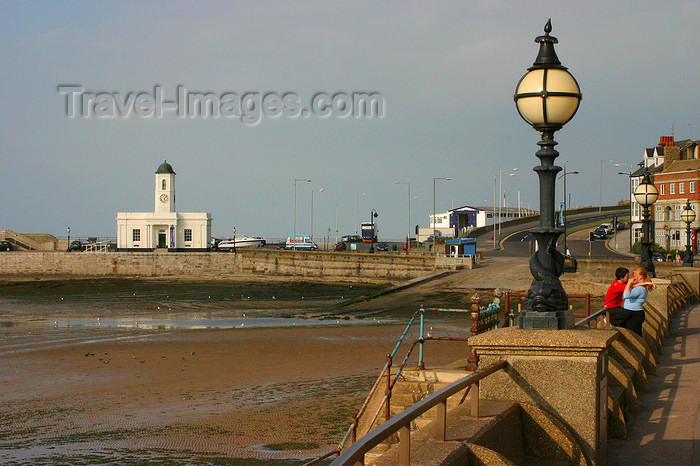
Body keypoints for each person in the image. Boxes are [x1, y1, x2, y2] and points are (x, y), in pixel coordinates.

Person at [622, 267, 656, 336]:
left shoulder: (640, 289)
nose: (632, 278)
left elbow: (626, 295)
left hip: (634, 313)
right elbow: (634, 286)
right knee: (636, 333)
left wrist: (629, 283)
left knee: (634, 335)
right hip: (635, 312)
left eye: (634, 276)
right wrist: (647, 282)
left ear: (640, 277)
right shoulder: (641, 287)